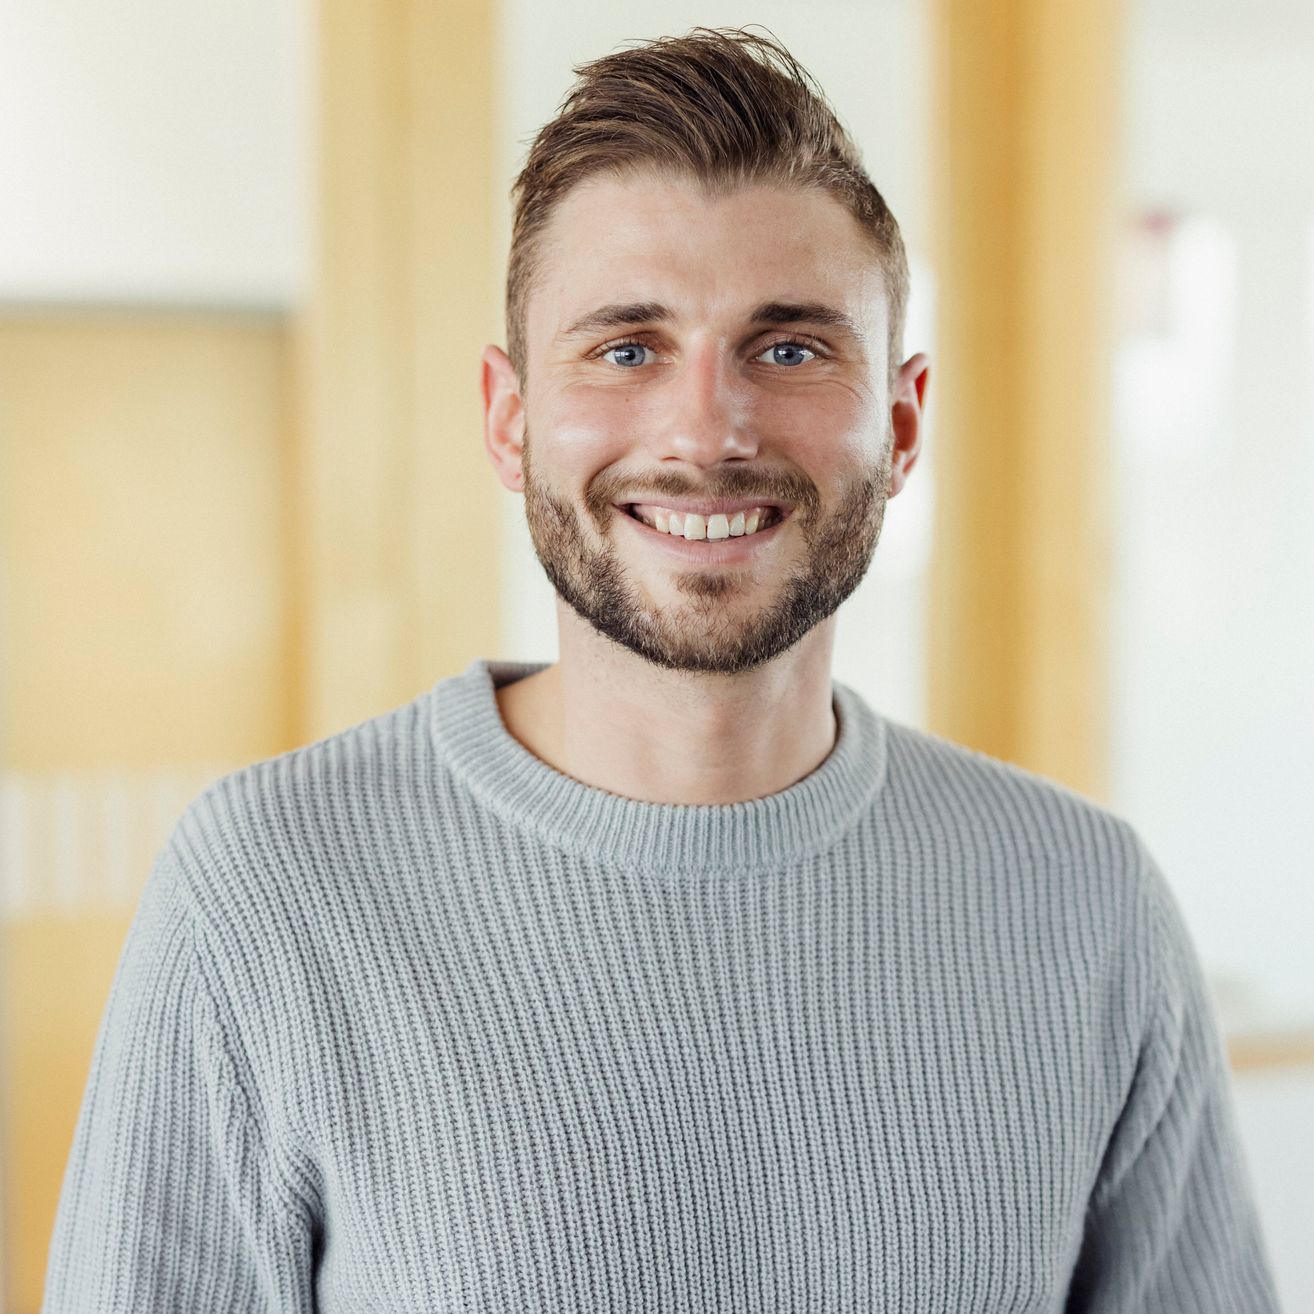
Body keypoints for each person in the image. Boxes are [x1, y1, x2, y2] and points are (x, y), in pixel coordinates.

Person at [43, 27, 1281, 1314]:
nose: (707, 430)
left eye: (790, 347)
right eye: (627, 348)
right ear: (509, 419)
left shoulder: (1085, 909)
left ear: (903, 423)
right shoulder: (266, 894)